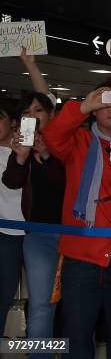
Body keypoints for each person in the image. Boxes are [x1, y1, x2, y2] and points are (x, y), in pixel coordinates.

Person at [42, 83, 111, 359]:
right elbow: (52, 135)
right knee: (77, 334)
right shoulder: (77, 141)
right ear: (94, 109)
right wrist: (82, 107)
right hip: (82, 256)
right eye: (105, 102)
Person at [2, 93, 64, 356]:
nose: (33, 116)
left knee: (78, 306)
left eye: (39, 110)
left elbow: (63, 184)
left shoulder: (68, 144)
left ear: (51, 115)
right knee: (41, 305)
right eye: (27, 111)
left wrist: (47, 154)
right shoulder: (21, 148)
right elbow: (12, 181)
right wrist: (21, 156)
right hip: (39, 235)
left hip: (76, 234)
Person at [0, 100, 24, 337]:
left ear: (13, 123)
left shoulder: (32, 150)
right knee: (3, 294)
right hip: (5, 234)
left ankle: (45, 349)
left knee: (43, 301)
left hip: (37, 233)